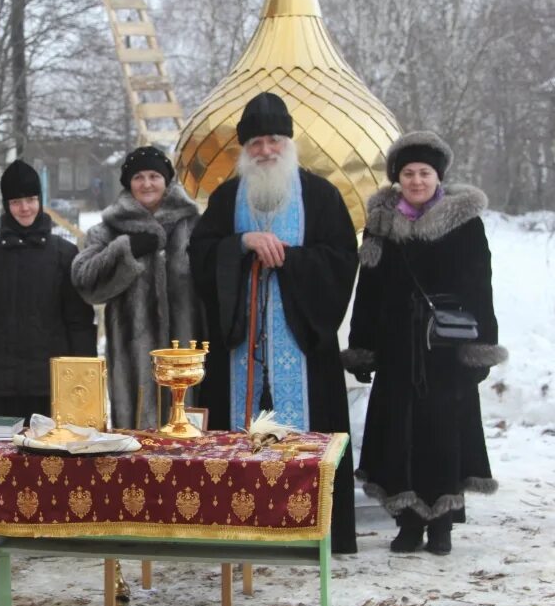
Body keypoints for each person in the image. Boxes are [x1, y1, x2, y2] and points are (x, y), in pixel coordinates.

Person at [187, 92, 359, 554]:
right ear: (244, 149)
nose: (266, 150)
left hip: (302, 347)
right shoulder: (226, 198)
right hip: (239, 350)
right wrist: (242, 244)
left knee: (308, 435)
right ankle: (240, 526)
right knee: (238, 436)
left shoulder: (321, 196)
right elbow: (200, 254)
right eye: (257, 142)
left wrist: (289, 260)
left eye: (274, 140)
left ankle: (312, 530)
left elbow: (343, 260)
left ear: (289, 143)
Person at [342, 131, 503, 555]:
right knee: (399, 434)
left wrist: (482, 346)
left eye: (424, 173)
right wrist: (362, 346)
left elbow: (481, 287)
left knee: (444, 434)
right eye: (409, 173)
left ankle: (443, 525)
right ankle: (408, 523)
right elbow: (369, 289)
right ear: (398, 178)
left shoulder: (464, 223)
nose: (416, 180)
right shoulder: (380, 224)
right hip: (397, 350)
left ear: (438, 176)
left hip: (447, 350)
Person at [0, 159, 96, 423]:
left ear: (40, 200)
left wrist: (86, 376)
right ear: (7, 205)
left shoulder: (64, 254)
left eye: (30, 199)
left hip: (51, 385)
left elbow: (80, 323)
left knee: (50, 463)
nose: (24, 208)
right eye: (16, 202)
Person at [71, 146, 202, 431]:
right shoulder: (109, 229)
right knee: (136, 448)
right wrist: (126, 251)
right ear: (128, 183)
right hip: (133, 365)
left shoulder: (193, 224)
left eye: (154, 176)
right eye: (138, 177)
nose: (146, 184)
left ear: (167, 181)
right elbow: (84, 281)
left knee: (190, 452)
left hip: (188, 359)